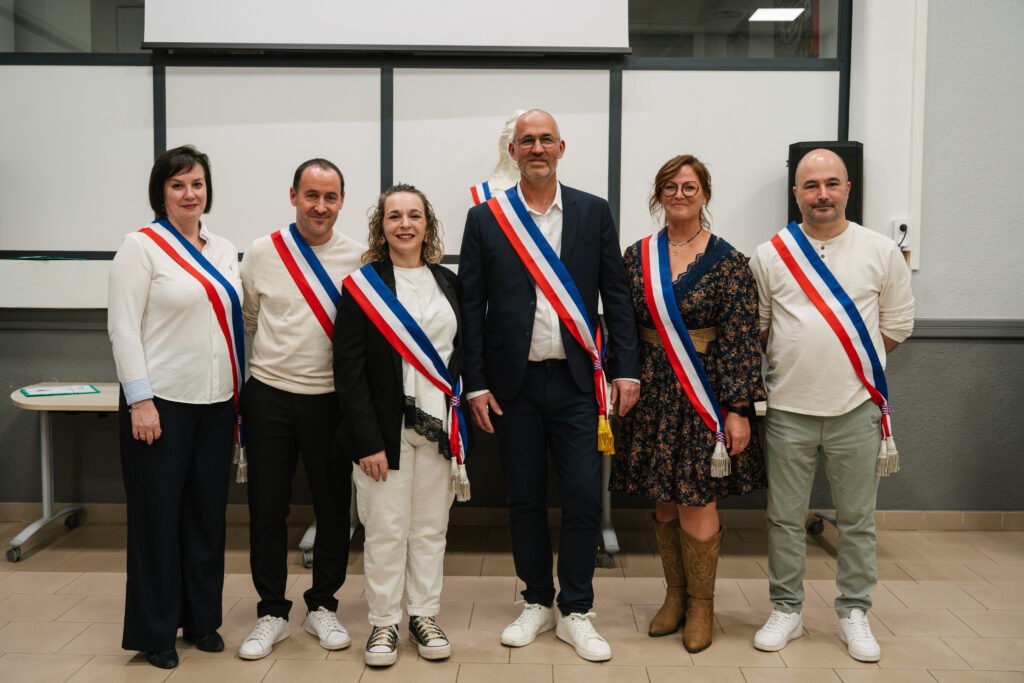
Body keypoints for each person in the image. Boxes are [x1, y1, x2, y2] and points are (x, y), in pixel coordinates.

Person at [459, 109, 640, 662]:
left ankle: (576, 609)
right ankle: (537, 599)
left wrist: (626, 368)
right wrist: (475, 384)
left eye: (546, 140)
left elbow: (616, 294)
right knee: (524, 497)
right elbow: (471, 305)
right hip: (511, 385)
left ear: (561, 148)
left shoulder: (593, 211)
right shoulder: (486, 218)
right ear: (512, 151)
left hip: (577, 382)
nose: (536, 148)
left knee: (583, 497)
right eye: (526, 141)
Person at [749, 149, 914, 662]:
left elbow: (897, 324)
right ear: (796, 193)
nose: (822, 194)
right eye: (811, 185)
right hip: (787, 411)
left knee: (858, 520)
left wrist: (853, 367)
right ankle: (787, 610)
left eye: (831, 184)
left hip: (856, 410)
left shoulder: (880, 250)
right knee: (783, 519)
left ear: (847, 189)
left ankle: (854, 612)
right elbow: (761, 327)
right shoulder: (770, 254)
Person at [611, 155, 767, 653]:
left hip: (705, 396)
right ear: (658, 195)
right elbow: (622, 326)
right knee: (663, 496)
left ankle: (702, 604)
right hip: (652, 395)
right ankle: (675, 596)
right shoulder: (636, 256)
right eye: (670, 187)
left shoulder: (728, 261)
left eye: (689, 186)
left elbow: (742, 338)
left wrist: (738, 409)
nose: (679, 194)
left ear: (705, 194)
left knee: (697, 497)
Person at [108, 145, 242, 669]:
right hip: (160, 403)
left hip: (216, 402)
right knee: (156, 520)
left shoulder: (224, 249)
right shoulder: (140, 247)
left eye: (197, 184)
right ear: (161, 192)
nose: (190, 194)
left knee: (206, 517)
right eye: (178, 185)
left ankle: (201, 620)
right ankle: (155, 631)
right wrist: (139, 400)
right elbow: (123, 328)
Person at [334, 184, 466, 667]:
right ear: (381, 227)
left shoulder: (449, 283)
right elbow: (349, 372)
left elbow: (460, 354)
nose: (405, 224)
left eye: (414, 215)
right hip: (383, 434)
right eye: (394, 216)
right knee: (386, 530)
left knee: (430, 530)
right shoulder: (362, 287)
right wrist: (366, 440)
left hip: (439, 428)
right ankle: (385, 622)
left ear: (427, 226)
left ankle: (424, 616)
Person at [237, 159, 362, 660]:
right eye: (311, 195)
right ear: (293, 196)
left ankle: (322, 606)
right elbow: (249, 318)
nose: (320, 206)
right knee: (267, 507)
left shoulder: (359, 257)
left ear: (342, 201)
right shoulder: (262, 253)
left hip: (332, 401)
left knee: (333, 507)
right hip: (269, 396)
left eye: (330, 197)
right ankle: (271, 611)